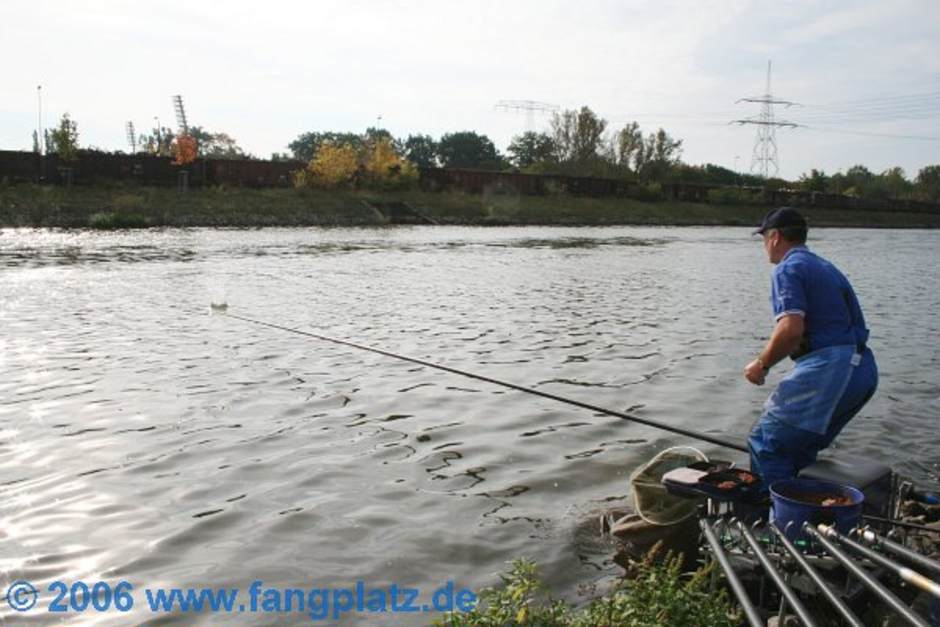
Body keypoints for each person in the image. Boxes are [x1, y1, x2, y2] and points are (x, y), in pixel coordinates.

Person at [744, 207, 878, 489]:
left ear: (775, 237)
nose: (764, 246)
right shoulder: (824, 266)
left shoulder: (787, 268)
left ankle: (777, 526)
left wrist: (761, 364)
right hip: (862, 370)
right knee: (799, 448)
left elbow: (791, 329)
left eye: (764, 238)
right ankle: (812, 514)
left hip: (831, 368)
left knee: (767, 443)